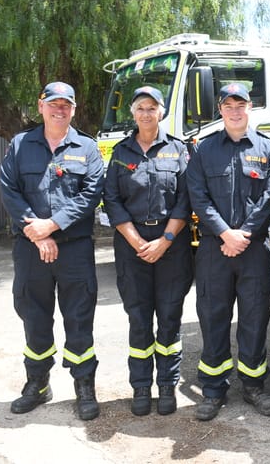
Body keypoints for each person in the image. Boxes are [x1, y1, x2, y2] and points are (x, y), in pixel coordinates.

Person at [0, 81, 104, 421]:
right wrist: (37, 232)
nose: (60, 109)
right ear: (41, 106)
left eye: (66, 105)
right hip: (31, 248)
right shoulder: (20, 145)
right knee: (34, 316)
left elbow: (91, 195)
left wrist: (52, 225)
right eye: (54, 103)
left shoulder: (87, 148)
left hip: (74, 250)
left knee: (79, 318)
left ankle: (84, 386)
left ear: (73, 109)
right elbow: (10, 190)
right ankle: (37, 383)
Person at [186, 82, 270, 421]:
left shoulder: (268, 149)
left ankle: (254, 386)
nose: (235, 110)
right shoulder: (204, 149)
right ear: (221, 110)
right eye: (229, 105)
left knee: (254, 319)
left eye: (241, 105)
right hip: (215, 248)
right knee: (213, 318)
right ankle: (213, 389)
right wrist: (226, 233)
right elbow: (198, 196)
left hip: (254, 249)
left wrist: (245, 233)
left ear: (250, 108)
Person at [103, 86, 193, 417]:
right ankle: (141, 386)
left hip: (171, 243)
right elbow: (111, 199)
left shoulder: (178, 150)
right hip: (133, 246)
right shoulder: (120, 152)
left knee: (169, 317)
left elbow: (186, 199)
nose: (146, 113)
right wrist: (136, 241)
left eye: (152, 108)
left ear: (161, 112)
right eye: (140, 107)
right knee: (139, 318)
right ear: (132, 113)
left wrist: (165, 240)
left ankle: (167, 385)